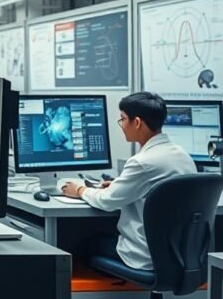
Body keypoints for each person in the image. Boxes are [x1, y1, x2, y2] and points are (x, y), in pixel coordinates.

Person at [63, 92, 196, 270]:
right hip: (179, 255)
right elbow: (154, 189)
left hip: (144, 256)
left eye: (123, 119)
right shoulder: (181, 154)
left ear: (137, 122)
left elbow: (106, 201)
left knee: (82, 244)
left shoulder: (142, 162)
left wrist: (79, 190)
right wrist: (120, 185)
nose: (122, 125)